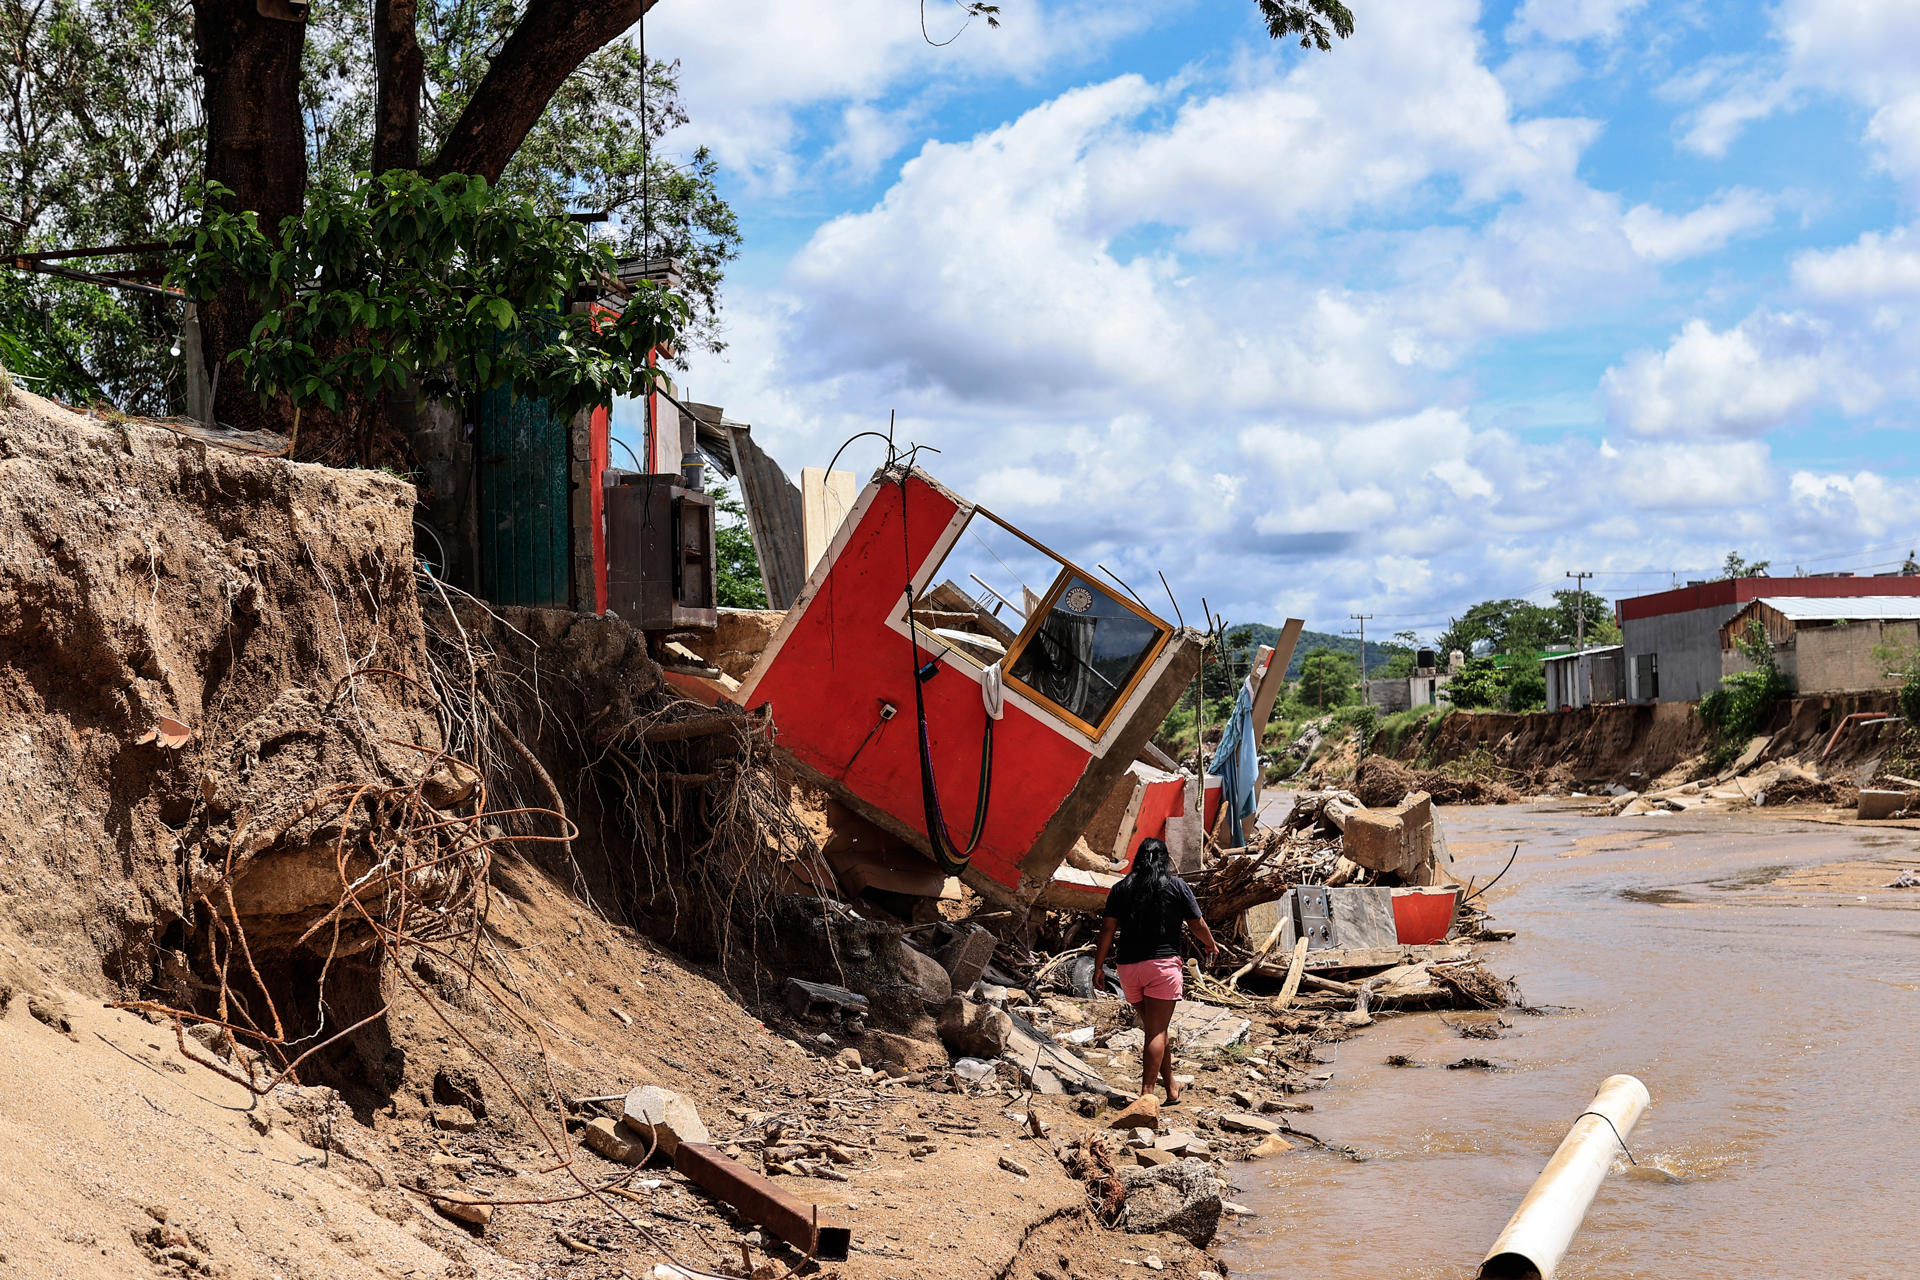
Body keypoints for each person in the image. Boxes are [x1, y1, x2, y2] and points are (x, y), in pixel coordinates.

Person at [1092, 837, 1218, 1104]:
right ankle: (1146, 1096)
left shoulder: (1120, 888)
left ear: (1137, 859)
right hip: (1162, 967)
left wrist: (1098, 966)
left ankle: (1171, 1087)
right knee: (1156, 1032)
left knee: (1155, 1029)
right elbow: (1196, 924)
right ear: (1164, 859)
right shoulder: (1177, 886)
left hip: (1128, 969)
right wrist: (1211, 945)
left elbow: (1107, 930)